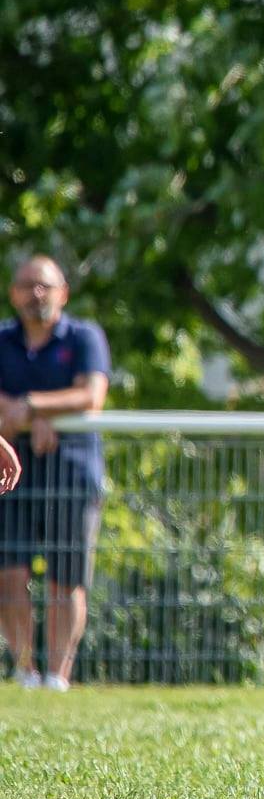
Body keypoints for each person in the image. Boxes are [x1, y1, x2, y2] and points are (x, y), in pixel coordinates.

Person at [0, 255, 112, 691]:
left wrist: (30, 407)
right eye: (27, 285)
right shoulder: (3, 339)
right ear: (13, 293)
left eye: (45, 285)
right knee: (9, 572)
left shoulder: (84, 337)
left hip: (72, 470)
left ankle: (57, 678)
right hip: (11, 473)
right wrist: (34, 414)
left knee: (67, 578)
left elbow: (91, 395)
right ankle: (25, 672)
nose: (37, 293)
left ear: (64, 292)